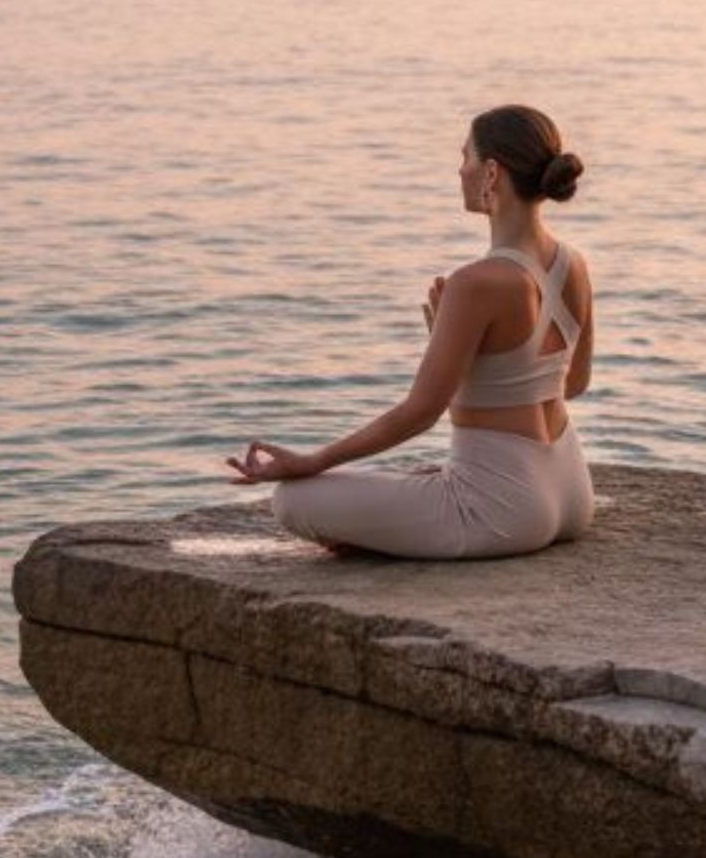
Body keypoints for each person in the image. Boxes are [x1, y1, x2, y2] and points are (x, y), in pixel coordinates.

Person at [223, 105, 596, 559]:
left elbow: (420, 413)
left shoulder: (475, 283)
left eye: (466, 158)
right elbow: (573, 384)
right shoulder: (573, 265)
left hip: (503, 512)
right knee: (412, 477)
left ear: (492, 173)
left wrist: (310, 461)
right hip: (572, 491)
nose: (461, 171)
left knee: (293, 500)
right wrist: (471, 357)